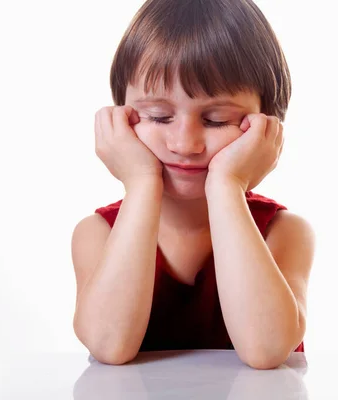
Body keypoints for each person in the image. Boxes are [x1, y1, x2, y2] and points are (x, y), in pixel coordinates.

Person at [71, 0, 315, 370]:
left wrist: (228, 185)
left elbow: (266, 350)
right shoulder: (96, 233)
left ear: (267, 126)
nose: (185, 144)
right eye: (159, 116)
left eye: (217, 120)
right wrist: (140, 183)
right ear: (121, 119)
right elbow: (110, 344)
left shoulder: (284, 232)